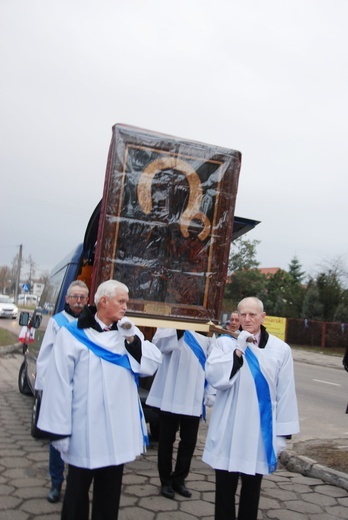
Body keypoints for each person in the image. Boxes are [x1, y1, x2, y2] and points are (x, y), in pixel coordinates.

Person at [37, 279, 162, 520]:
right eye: (121, 301)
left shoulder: (127, 331)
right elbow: (60, 384)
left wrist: (131, 340)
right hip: (85, 427)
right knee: (76, 492)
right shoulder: (72, 334)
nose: (126, 306)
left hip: (116, 430)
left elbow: (150, 364)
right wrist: (60, 431)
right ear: (104, 301)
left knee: (109, 494)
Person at [203, 297, 299, 520]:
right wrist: (238, 350)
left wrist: (282, 436)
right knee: (224, 489)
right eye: (243, 314)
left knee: (252, 490)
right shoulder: (224, 344)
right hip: (229, 427)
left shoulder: (280, 349)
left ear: (262, 317)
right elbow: (216, 378)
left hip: (258, 432)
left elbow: (285, 394)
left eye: (252, 315)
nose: (247, 319)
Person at [35, 280, 89, 503]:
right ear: (67, 299)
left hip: (83, 392)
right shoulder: (57, 323)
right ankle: (56, 482)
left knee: (81, 439)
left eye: (82, 297)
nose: (78, 301)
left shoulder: (92, 324)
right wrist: (43, 389)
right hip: (59, 391)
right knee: (57, 438)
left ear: (88, 300)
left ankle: (77, 485)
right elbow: (46, 356)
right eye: (74, 296)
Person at [146, 327, 213, 499]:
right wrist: (178, 330)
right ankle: (165, 481)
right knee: (166, 440)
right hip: (171, 391)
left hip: (193, 394)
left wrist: (209, 392)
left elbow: (212, 361)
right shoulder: (170, 324)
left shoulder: (206, 328)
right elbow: (158, 345)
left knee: (189, 442)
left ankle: (179, 479)